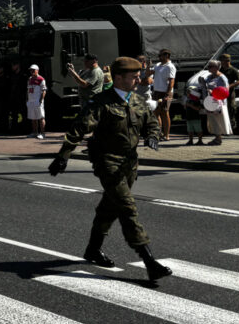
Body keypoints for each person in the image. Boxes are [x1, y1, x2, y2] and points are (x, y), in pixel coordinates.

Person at [48, 56, 171, 282]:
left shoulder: (137, 100)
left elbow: (151, 123)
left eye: (137, 76)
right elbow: (79, 128)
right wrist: (62, 156)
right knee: (127, 209)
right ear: (118, 78)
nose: (138, 80)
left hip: (129, 165)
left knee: (109, 207)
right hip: (108, 163)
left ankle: (93, 250)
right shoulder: (101, 102)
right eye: (133, 77)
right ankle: (149, 261)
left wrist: (153, 136)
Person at [202, 60, 230, 146]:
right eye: (208, 66)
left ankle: (218, 139)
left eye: (210, 66)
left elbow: (225, 91)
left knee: (217, 120)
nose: (208, 68)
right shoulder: (209, 77)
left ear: (217, 68)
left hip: (218, 103)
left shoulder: (222, 78)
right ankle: (217, 137)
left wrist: (213, 92)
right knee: (212, 121)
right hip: (210, 102)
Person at [151, 49, 177, 141]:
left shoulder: (170, 66)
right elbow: (148, 74)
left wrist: (167, 94)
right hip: (156, 92)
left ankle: (167, 135)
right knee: (155, 113)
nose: (159, 57)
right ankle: (159, 133)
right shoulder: (157, 65)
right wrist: (146, 66)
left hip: (165, 92)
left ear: (167, 56)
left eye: (161, 55)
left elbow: (171, 81)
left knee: (165, 113)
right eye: (159, 55)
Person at [220, 53, 239, 132]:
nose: (226, 62)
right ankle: (224, 127)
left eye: (227, 61)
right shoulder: (220, 70)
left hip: (230, 93)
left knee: (231, 108)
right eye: (224, 61)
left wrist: (229, 86)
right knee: (222, 109)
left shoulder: (233, 70)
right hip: (221, 93)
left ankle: (233, 127)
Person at [26, 64, 46, 139]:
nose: (31, 71)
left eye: (33, 70)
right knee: (33, 118)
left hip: (38, 101)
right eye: (31, 70)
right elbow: (28, 90)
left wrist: (40, 101)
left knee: (41, 117)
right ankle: (35, 132)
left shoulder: (41, 79)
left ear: (37, 70)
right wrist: (27, 100)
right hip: (31, 101)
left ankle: (43, 133)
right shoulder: (30, 79)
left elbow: (44, 91)